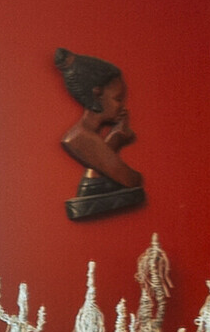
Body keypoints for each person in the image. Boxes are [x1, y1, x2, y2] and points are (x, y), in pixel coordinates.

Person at [53, 47, 146, 221]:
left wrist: (114, 138)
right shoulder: (79, 139)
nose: (122, 106)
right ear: (97, 95)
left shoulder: (84, 137)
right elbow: (132, 179)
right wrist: (117, 137)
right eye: (118, 99)